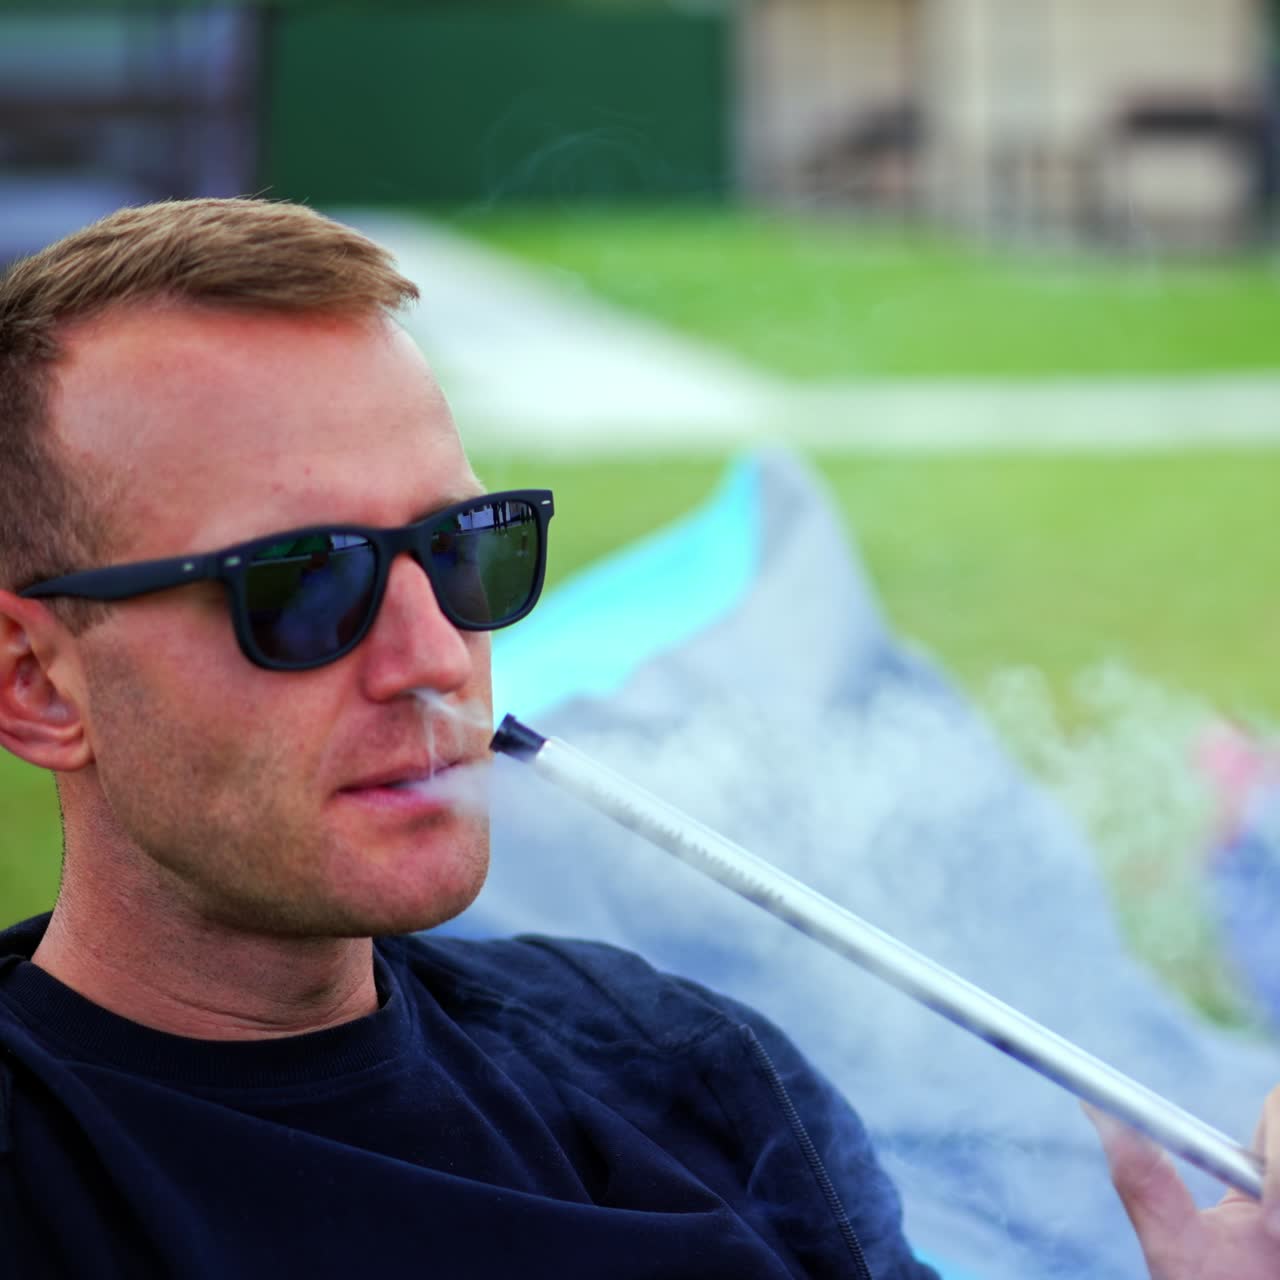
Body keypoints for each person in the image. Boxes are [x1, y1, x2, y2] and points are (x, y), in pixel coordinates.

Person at [0, 198, 1274, 1280]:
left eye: (462, 547)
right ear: (37, 682)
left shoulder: (684, 1076)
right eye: (298, 582)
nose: (435, 655)